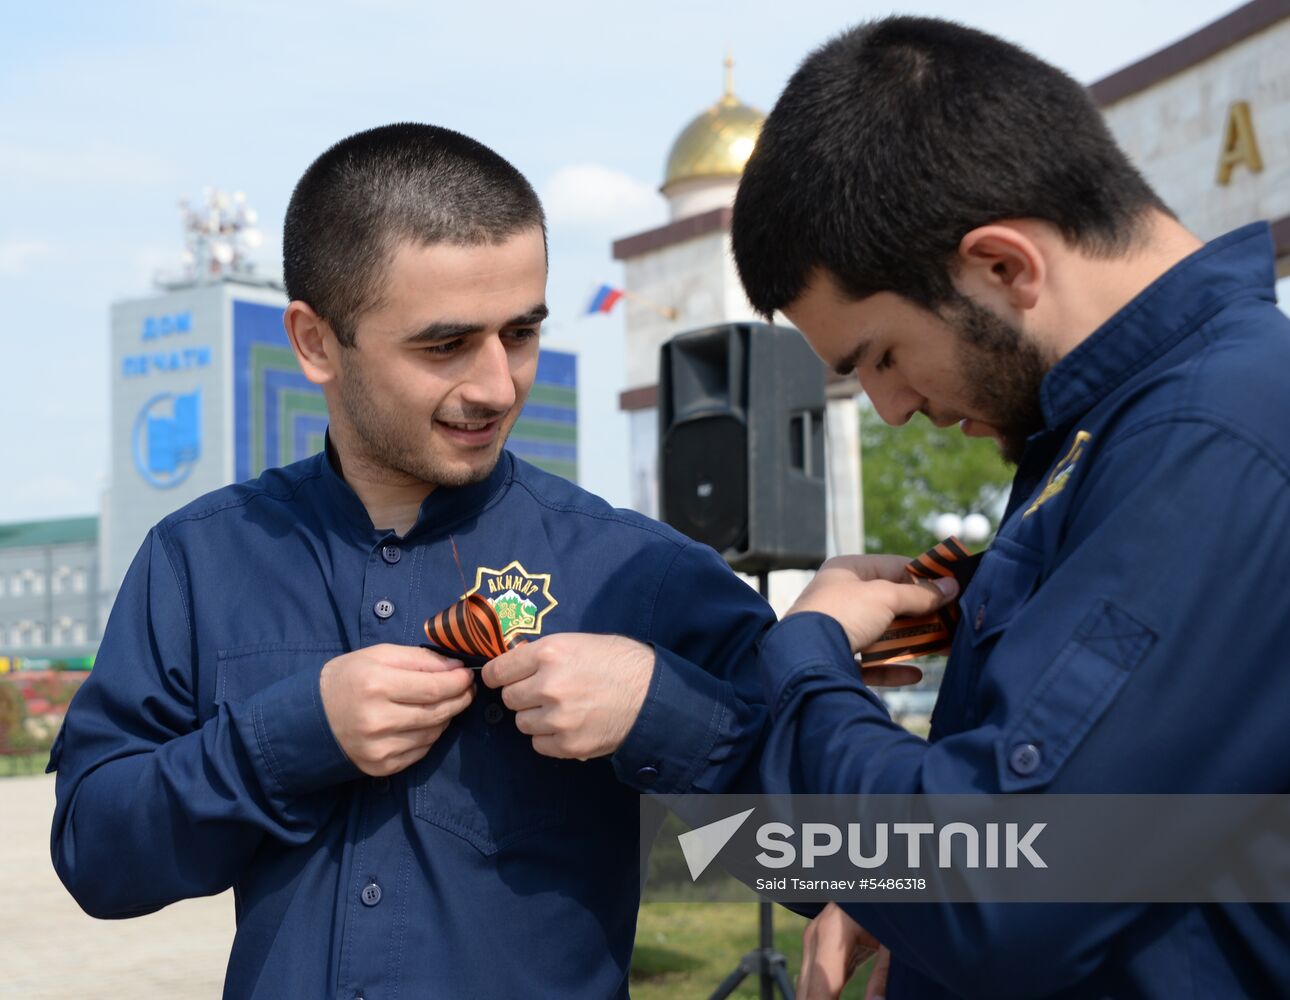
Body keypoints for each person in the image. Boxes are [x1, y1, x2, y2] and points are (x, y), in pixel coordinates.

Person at [50, 123, 773, 999]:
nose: (498, 385)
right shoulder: (198, 562)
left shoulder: (640, 573)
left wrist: (663, 713)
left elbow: (862, 861)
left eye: (522, 333)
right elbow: (95, 857)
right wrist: (288, 741)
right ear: (315, 342)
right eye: (444, 345)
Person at [731, 16, 1290, 1000]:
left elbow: (1002, 888)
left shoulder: (1211, 436)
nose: (892, 409)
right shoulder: (1109, 433)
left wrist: (809, 656)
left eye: (881, 356)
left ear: (1003, 266)